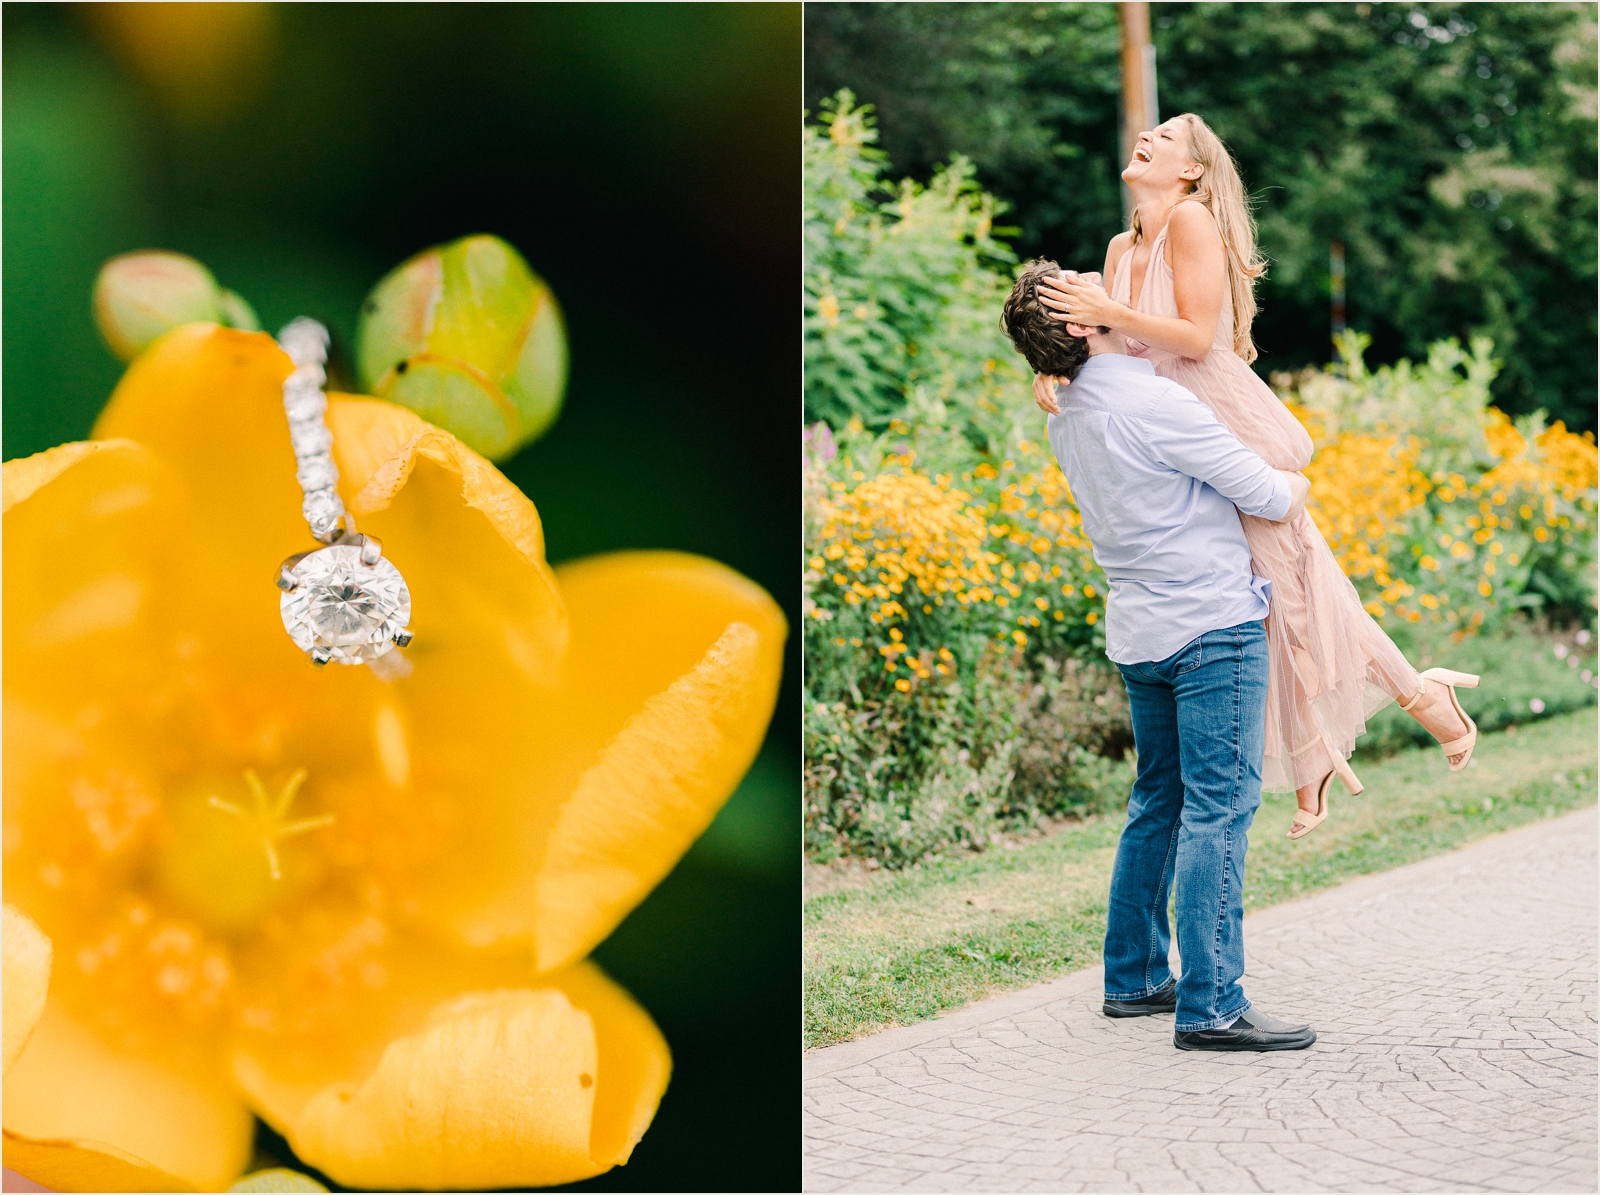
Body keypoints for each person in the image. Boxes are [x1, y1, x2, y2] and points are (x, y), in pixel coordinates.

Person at [1031, 114, 1481, 839]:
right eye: (1149, 131)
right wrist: (1057, 367)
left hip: (1216, 413)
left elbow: (1195, 335)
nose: (1147, 137)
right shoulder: (1120, 247)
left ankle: (1394, 714)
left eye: (1166, 136)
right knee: (1276, 586)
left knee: (1289, 579)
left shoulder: (1189, 220)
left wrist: (1108, 311)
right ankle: (1362, 728)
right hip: (1163, 428)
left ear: (1192, 170)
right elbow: (1110, 344)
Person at [999, 263, 1313, 1050]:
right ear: (1081, 323)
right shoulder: (1153, 402)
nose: (1106, 284)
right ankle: (1213, 1005)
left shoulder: (1067, 412)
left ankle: (1135, 976)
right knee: (1219, 810)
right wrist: (1298, 483)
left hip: (1142, 632)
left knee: (1159, 802)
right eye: (1086, 284)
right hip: (1211, 628)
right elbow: (1267, 495)